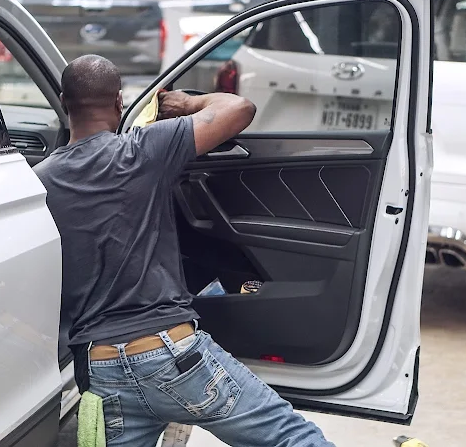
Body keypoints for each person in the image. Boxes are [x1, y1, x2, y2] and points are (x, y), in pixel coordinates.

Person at [34, 55, 335, 447]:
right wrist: (188, 103)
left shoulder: (39, 182)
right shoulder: (143, 149)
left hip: (102, 371)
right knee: (294, 439)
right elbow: (239, 108)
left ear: (63, 102)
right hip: (173, 356)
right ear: (119, 101)